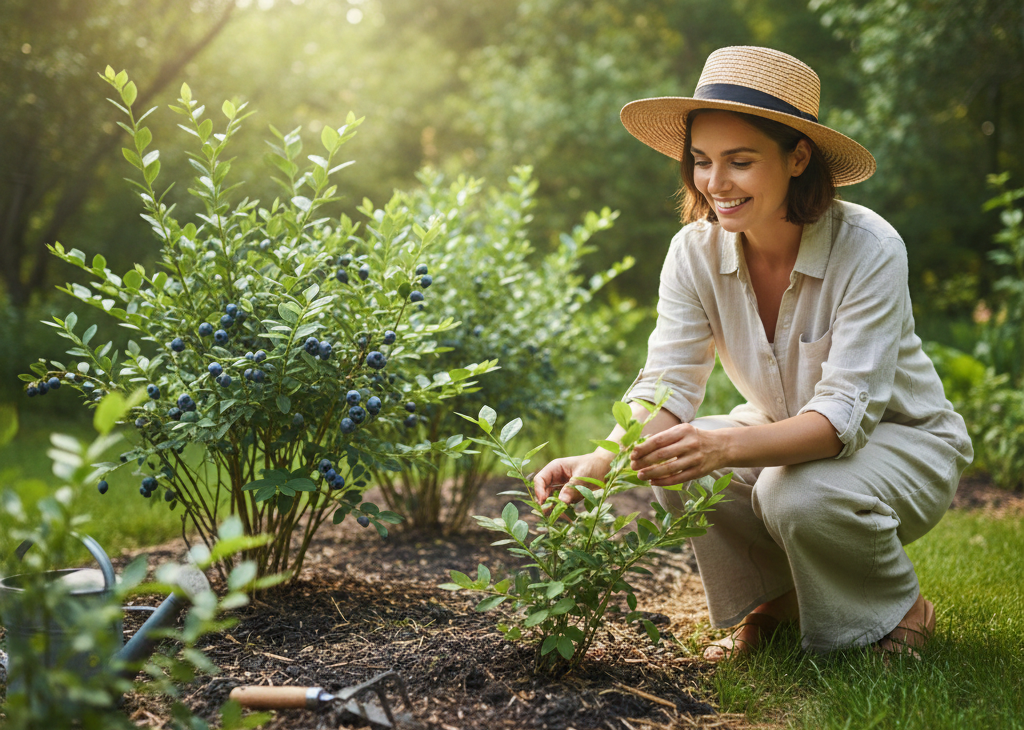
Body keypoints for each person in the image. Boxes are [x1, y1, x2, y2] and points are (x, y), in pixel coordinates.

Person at [532, 46, 973, 660]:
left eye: (740, 161)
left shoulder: (868, 247)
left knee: (793, 494)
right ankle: (778, 601)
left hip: (901, 443)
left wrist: (722, 447)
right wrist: (603, 460)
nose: (716, 183)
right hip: (782, 431)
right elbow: (665, 387)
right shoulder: (693, 252)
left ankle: (896, 608)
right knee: (675, 457)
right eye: (702, 161)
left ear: (798, 157)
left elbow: (842, 418)